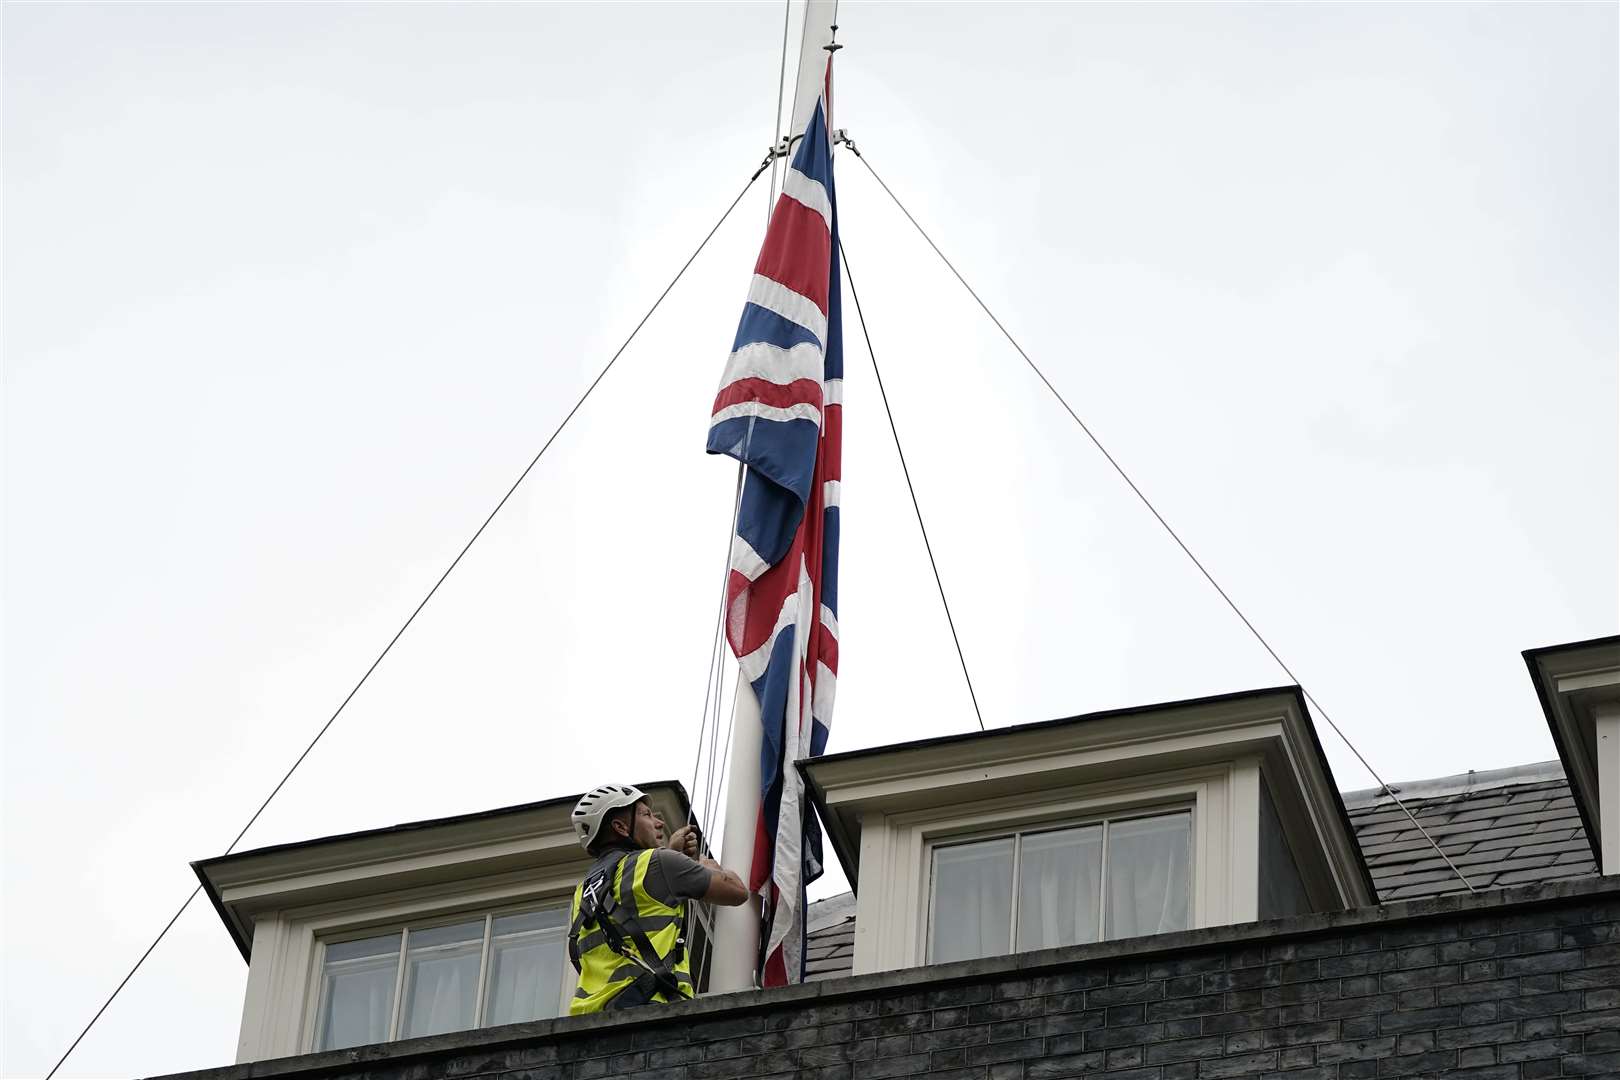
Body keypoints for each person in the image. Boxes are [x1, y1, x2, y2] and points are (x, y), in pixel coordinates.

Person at [566, 783, 748, 1014]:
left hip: (588, 1024)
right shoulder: (658, 863)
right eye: (646, 815)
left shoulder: (582, 892)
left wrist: (675, 857)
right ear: (621, 827)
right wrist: (703, 864)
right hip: (650, 1013)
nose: (659, 822)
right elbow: (737, 892)